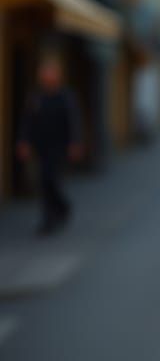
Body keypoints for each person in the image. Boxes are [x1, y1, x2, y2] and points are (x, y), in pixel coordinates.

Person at [15, 52, 85, 237]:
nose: (47, 77)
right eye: (44, 73)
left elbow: (73, 120)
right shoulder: (36, 97)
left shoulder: (65, 97)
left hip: (59, 146)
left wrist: (75, 143)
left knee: (52, 179)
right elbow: (27, 121)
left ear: (57, 76)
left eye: (50, 73)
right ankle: (50, 217)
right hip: (42, 146)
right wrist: (24, 141)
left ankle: (60, 209)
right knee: (44, 182)